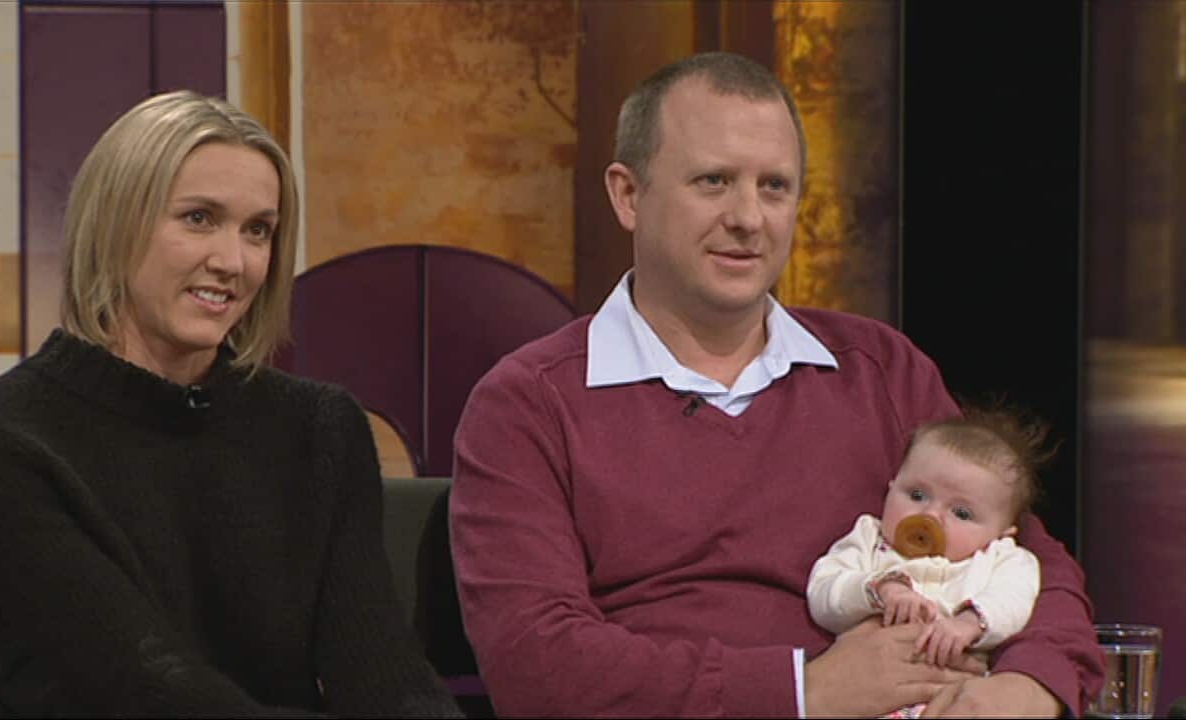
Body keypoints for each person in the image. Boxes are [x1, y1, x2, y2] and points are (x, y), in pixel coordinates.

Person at [449, 52, 1104, 717]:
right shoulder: (528, 403)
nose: (748, 217)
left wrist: (1028, 689)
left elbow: (1029, 561)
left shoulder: (881, 369)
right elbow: (537, 665)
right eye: (713, 181)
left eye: (774, 187)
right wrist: (802, 692)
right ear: (628, 195)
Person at [0, 91, 462, 718]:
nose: (233, 262)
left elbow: (384, 674)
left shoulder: (320, 428)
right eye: (199, 218)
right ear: (115, 223)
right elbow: (145, 686)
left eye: (258, 230)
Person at [807, 402, 1053, 717]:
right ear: (891, 487)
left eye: (961, 513)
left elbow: (1013, 600)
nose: (931, 515)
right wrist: (880, 589)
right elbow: (824, 591)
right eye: (917, 495)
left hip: (948, 699)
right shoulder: (869, 539)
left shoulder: (1001, 558)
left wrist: (971, 623)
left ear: (1002, 532)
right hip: (862, 699)